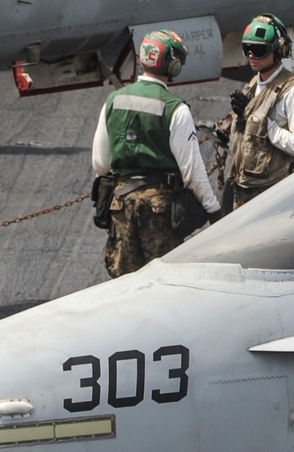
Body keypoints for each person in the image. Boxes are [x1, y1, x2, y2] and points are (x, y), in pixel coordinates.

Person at [92, 29, 221, 276]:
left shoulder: (112, 101)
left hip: (121, 207)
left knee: (123, 284)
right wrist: (214, 211)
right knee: (164, 282)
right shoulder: (176, 109)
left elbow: (100, 164)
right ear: (172, 65)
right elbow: (192, 172)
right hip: (159, 211)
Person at [228, 13, 294, 208]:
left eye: (258, 50)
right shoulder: (252, 85)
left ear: (279, 50)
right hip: (242, 191)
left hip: (273, 194)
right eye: (247, 49)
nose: (251, 55)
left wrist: (266, 126)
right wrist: (241, 120)